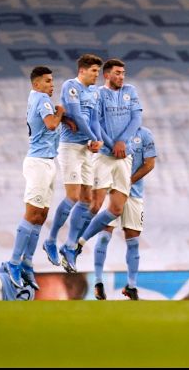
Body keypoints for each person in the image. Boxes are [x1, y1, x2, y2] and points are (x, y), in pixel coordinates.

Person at [59, 59, 142, 274]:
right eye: (117, 73)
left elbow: (136, 118)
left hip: (125, 156)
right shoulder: (98, 94)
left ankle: (78, 244)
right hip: (104, 156)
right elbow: (94, 119)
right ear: (107, 75)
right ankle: (69, 244)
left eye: (123, 73)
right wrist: (109, 143)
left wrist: (123, 141)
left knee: (116, 209)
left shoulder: (130, 91)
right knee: (94, 205)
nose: (121, 77)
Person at [5, 66, 65, 289]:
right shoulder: (41, 99)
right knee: (32, 214)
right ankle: (14, 262)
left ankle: (28, 264)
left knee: (41, 215)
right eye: (48, 81)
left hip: (48, 162)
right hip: (38, 162)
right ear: (37, 83)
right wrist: (60, 113)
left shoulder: (37, 98)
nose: (52, 85)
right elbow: (51, 124)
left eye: (52, 81)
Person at [42, 54, 103, 267]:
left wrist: (99, 140)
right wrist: (94, 138)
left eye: (98, 71)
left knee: (87, 199)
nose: (97, 75)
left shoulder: (95, 91)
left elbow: (94, 118)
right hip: (70, 148)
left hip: (87, 149)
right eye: (94, 71)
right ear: (83, 70)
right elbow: (76, 115)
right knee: (73, 195)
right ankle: (50, 240)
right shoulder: (71, 86)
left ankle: (68, 246)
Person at [93, 126, 157, 301]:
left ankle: (132, 286)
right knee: (104, 236)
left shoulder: (144, 134)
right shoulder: (108, 131)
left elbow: (150, 163)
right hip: (110, 192)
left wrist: (127, 182)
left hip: (134, 194)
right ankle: (98, 282)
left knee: (134, 242)